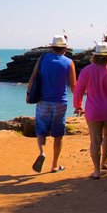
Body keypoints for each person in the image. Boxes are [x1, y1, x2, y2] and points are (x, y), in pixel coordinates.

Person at [73, 42, 107, 179]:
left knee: (95, 141)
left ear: (95, 56)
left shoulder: (86, 71)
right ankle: (104, 162)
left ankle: (96, 171)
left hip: (93, 111)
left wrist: (77, 106)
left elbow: (79, 90)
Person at [26, 35, 77, 173]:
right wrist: (78, 103)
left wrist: (29, 94)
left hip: (43, 101)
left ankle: (42, 152)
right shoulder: (69, 62)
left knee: (41, 130)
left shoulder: (43, 58)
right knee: (58, 134)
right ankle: (54, 165)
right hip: (60, 102)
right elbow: (73, 85)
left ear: (51, 47)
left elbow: (33, 77)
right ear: (65, 48)